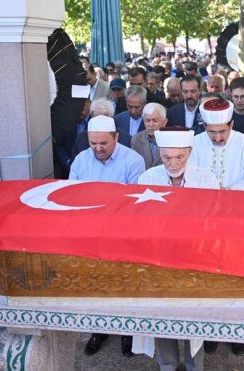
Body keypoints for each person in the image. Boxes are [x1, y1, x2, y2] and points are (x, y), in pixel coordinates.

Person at [137, 127, 217, 371]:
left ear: (190, 152)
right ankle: (168, 365)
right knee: (161, 318)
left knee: (194, 322)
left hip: (194, 260)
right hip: (158, 260)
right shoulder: (147, 179)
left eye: (179, 157)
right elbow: (140, 223)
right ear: (159, 154)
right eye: (166, 157)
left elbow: (212, 222)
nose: (173, 163)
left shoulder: (207, 179)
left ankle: (195, 367)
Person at [71, 115, 145, 357]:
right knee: (95, 284)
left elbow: (134, 205)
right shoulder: (81, 160)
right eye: (93, 143)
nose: (98, 149)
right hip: (90, 233)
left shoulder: (133, 160)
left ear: (116, 137)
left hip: (122, 234)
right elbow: (71, 197)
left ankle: (127, 333)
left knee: (124, 284)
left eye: (103, 143)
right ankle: (99, 330)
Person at [190, 98, 244, 191]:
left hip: (235, 198)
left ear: (231, 125)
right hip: (203, 198)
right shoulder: (195, 142)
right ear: (204, 126)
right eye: (212, 132)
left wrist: (230, 190)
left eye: (222, 131)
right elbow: (189, 174)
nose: (218, 138)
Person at [55, 99, 91, 178]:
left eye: (84, 108)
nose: (82, 112)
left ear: (89, 106)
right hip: (69, 171)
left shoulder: (94, 122)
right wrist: (68, 162)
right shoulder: (66, 123)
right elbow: (60, 147)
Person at [131, 102, 168, 169]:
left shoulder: (172, 139)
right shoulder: (136, 139)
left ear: (164, 122)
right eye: (147, 121)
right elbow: (135, 166)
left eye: (155, 120)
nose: (150, 125)